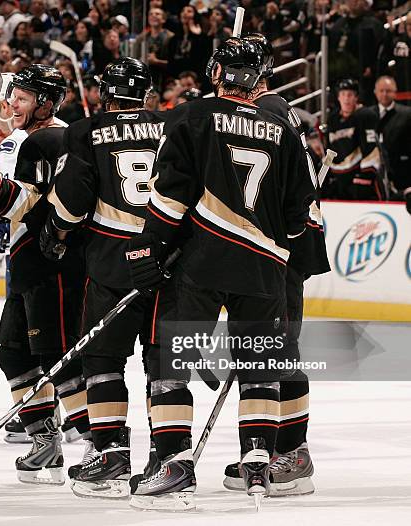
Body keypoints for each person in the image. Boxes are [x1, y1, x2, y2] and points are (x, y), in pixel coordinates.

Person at [126, 37, 315, 510]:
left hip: (200, 264)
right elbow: (298, 219)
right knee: (260, 368)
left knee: (172, 366)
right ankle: (257, 463)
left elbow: (170, 195)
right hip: (266, 271)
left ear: (215, 71)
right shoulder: (285, 130)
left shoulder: (192, 116)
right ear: (259, 78)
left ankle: (173, 463)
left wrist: (150, 247)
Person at [40, 57, 177, 502]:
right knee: (164, 366)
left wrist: (55, 234)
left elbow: (71, 205)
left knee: (102, 363)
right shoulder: (171, 125)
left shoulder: (84, 130)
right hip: (167, 265)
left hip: (113, 267)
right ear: (147, 93)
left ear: (105, 92)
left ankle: (112, 456)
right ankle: (169, 460)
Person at [221, 33, 330, 497]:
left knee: (277, 349)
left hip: (278, 251)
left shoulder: (263, 113)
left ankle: (295, 451)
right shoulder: (275, 109)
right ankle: (268, 444)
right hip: (280, 247)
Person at [0, 65, 91, 485]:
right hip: (26, 261)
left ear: (45, 103)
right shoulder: (16, 141)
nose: (12, 105)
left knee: (60, 357)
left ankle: (99, 442)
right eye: (12, 97)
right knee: (14, 353)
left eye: (22, 98)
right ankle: (44, 437)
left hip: (58, 262)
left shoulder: (68, 138)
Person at [325, 78, 382, 199]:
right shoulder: (333, 119)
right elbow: (329, 150)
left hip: (358, 178)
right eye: (343, 94)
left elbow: (371, 149)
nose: (346, 98)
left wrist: (365, 176)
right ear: (338, 97)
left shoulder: (366, 115)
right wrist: (326, 174)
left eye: (350, 95)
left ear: (356, 97)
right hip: (337, 177)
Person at [366, 76, 411, 204]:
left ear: (395, 92)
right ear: (375, 92)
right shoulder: (366, 114)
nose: (384, 94)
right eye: (381, 90)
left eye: (388, 91)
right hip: (373, 175)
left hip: (401, 174)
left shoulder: (407, 114)